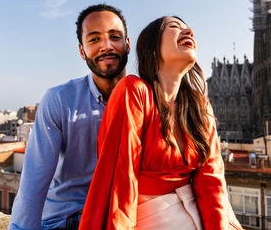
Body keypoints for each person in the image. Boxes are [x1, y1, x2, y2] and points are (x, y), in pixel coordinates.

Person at [78, 16, 242, 230]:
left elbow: (212, 183)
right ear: (152, 49)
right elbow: (120, 181)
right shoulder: (134, 91)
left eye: (187, 28)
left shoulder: (199, 105)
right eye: (174, 27)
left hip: (200, 218)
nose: (189, 31)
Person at [8, 4, 130, 230]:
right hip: (70, 219)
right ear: (82, 51)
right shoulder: (60, 100)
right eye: (94, 39)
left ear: (127, 44)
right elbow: (35, 179)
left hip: (125, 216)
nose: (106, 46)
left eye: (114, 37)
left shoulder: (144, 99)